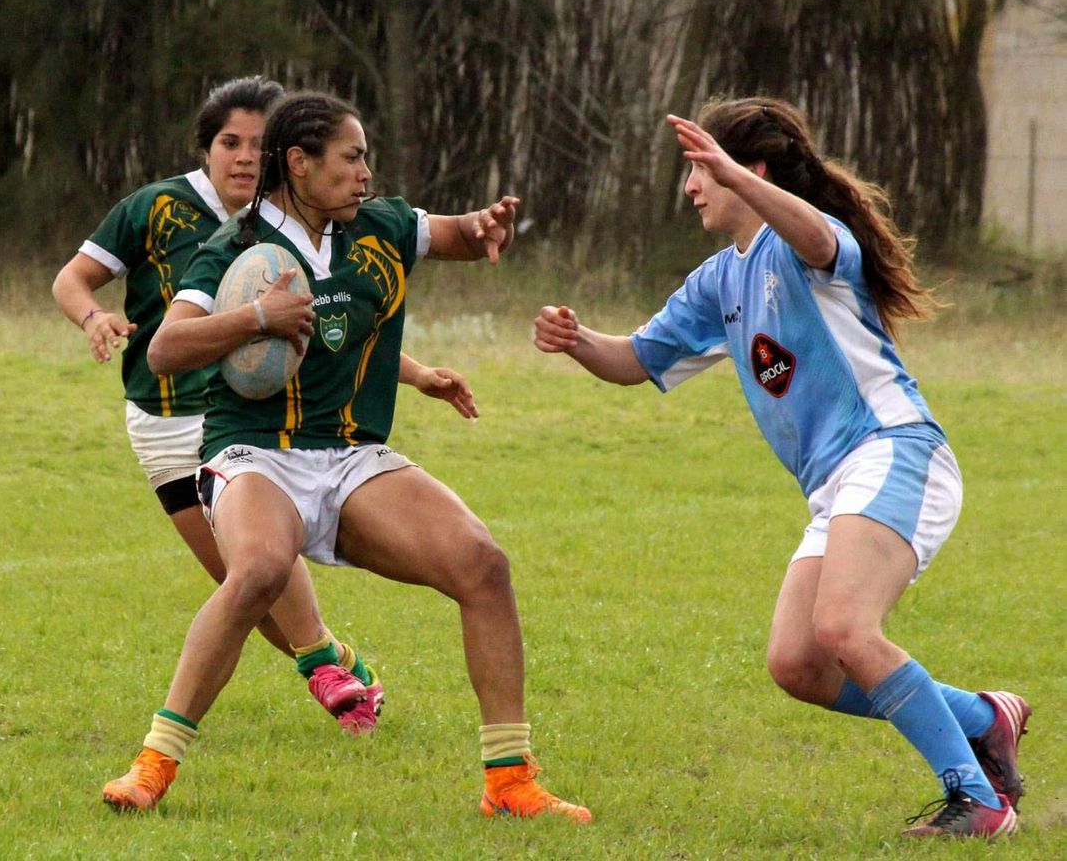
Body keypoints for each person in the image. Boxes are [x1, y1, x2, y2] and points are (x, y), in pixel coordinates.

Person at [533, 96, 1030, 839]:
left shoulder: (809, 245)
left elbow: (815, 235)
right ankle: (984, 717)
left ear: (751, 171)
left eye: (702, 171)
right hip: (836, 485)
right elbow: (636, 360)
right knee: (798, 663)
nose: (692, 187)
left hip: (893, 448)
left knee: (845, 628)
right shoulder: (717, 282)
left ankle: (980, 802)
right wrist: (575, 340)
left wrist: (739, 174)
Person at [100, 90, 592, 822]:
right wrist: (256, 319)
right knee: (261, 570)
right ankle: (153, 764)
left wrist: (487, 227)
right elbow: (166, 348)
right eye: (351, 157)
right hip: (252, 452)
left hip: (355, 455)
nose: (365, 172)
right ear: (298, 163)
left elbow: (454, 235)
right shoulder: (231, 248)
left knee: (484, 566)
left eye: (367, 158)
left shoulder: (380, 226)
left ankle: (509, 780)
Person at [53, 77, 480, 736]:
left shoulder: (311, 226)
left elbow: (334, 331)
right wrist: (92, 318)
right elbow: (74, 278)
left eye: (259, 143)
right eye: (231, 142)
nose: (247, 156)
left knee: (259, 570)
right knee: (244, 587)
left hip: (251, 425)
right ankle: (330, 660)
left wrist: (417, 374)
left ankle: (321, 671)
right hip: (168, 421)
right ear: (205, 148)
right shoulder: (157, 208)